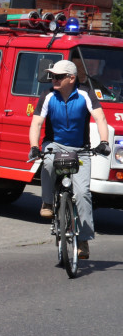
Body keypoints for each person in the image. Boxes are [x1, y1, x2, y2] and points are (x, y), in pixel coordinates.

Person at [27, 59, 110, 260]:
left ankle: (84, 240)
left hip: (80, 149)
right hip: (54, 145)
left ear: (71, 78)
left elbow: (100, 118)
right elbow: (36, 123)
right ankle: (47, 202)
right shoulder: (48, 95)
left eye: (58, 76)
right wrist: (34, 147)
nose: (53, 79)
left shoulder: (85, 94)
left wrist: (104, 142)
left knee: (83, 193)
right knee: (47, 162)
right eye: (52, 76)